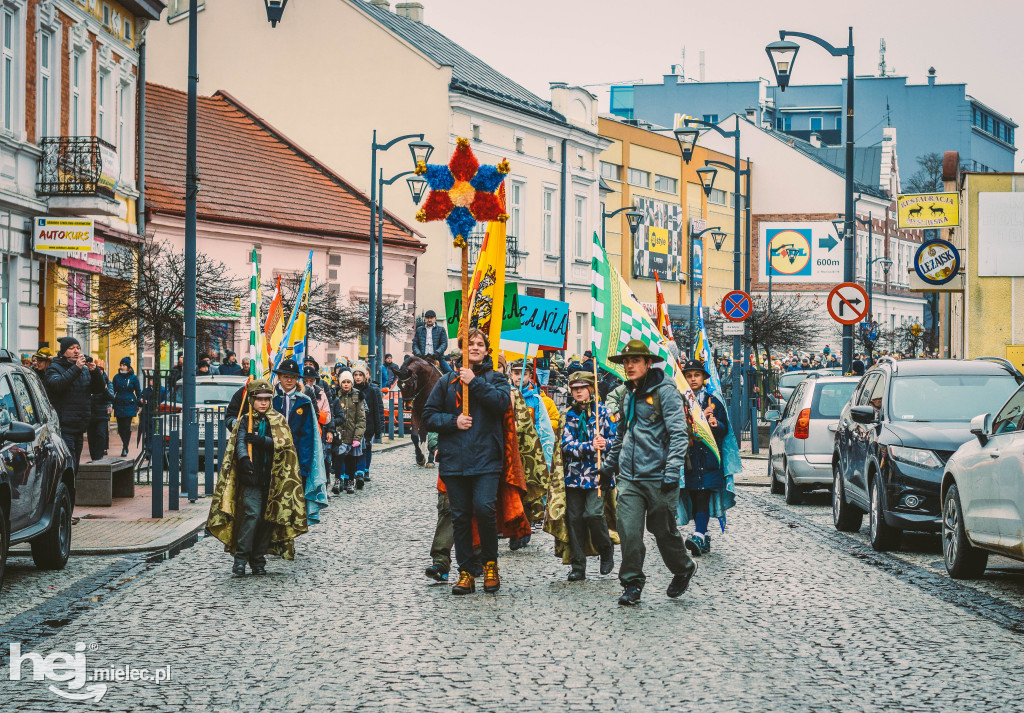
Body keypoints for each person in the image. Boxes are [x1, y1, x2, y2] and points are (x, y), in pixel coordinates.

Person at [599, 339, 697, 606]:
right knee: (629, 532)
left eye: (635, 361)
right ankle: (632, 583)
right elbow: (623, 435)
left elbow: (679, 435)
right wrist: (608, 467)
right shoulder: (628, 393)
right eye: (626, 362)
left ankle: (683, 568)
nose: (629, 366)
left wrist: (671, 472)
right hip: (629, 478)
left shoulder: (666, 391)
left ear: (648, 363)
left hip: (659, 477)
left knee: (663, 532)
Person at [423, 328, 510, 595]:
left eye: (479, 344)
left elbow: (502, 404)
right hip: (455, 461)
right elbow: (428, 415)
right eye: (469, 344)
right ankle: (465, 572)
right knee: (459, 517)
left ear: (486, 350)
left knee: (484, 510)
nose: (474, 347)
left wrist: (474, 382)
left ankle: (490, 565)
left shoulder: (496, 379)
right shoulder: (447, 381)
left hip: (486, 459)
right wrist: (453, 421)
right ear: (462, 348)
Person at [207, 379, 309, 575]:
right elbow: (240, 441)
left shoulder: (278, 420)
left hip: (273, 479)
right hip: (251, 478)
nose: (263, 403)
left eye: (266, 399)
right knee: (251, 516)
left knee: (266, 519)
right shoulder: (245, 420)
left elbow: (285, 444)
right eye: (259, 399)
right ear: (251, 400)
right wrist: (244, 459)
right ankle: (241, 558)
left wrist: (263, 441)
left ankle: (258, 559)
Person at [559, 371, 615, 580]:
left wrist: (605, 444)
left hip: (597, 475)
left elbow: (615, 439)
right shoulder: (568, 415)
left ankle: (605, 547)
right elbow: (565, 445)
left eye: (582, 387)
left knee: (593, 514)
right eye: (575, 388)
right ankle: (578, 565)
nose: (578, 391)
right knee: (574, 519)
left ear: (591, 389)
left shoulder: (603, 413)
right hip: (573, 476)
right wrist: (589, 446)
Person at [679, 360, 730, 557]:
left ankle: (698, 534)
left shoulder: (713, 401)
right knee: (693, 496)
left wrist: (715, 424)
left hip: (708, 459)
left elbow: (725, 430)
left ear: (703, 378)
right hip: (690, 459)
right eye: (689, 376)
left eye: (696, 375)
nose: (693, 379)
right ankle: (705, 534)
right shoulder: (682, 401)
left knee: (702, 496)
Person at [272, 358, 327, 524]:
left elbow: (307, 436)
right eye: (286, 376)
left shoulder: (304, 401)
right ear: (279, 377)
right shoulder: (271, 399)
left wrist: (304, 465)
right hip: (273, 457)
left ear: (297, 380)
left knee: (293, 500)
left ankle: (289, 533)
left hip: (296, 460)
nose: (289, 380)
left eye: (293, 377)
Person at [44, 337, 107, 476]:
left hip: (80, 425)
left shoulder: (83, 369)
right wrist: (76, 368)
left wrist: (95, 372)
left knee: (75, 467)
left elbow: (98, 389)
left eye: (78, 348)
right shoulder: (54, 368)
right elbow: (58, 385)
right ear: (63, 352)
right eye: (71, 348)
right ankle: (67, 496)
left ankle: (70, 495)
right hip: (64, 426)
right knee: (68, 467)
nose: (76, 351)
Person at [331, 370, 366, 494]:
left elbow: (361, 418)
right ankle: (337, 480)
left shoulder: (357, 397)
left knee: (351, 459)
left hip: (352, 433)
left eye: (348, 382)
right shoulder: (335, 396)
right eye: (344, 382)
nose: (346, 384)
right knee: (338, 458)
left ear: (351, 383)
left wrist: (358, 437)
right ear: (340, 383)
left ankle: (350, 480)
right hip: (339, 433)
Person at [352, 362, 384, 482]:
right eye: (356, 374)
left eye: (360, 374)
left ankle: (365, 470)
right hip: (354, 425)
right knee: (357, 448)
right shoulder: (351, 389)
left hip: (368, 424)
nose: (358, 377)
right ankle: (357, 470)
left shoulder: (371, 390)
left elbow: (376, 409)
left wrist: (378, 429)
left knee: (366, 447)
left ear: (365, 376)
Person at [111, 357, 143, 458]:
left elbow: (138, 392)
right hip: (119, 403)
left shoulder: (133, 378)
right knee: (120, 428)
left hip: (130, 403)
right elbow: (113, 391)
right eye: (121, 365)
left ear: (128, 367)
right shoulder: (116, 377)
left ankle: (125, 447)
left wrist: (139, 403)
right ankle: (125, 443)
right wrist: (111, 403)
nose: (122, 367)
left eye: (124, 365)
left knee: (127, 425)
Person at [87, 358, 114, 460]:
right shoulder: (89, 380)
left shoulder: (107, 381)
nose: (98, 371)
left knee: (100, 435)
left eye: (100, 369)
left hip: (102, 414)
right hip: (90, 414)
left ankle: (99, 457)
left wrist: (105, 389)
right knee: (91, 437)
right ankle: (94, 458)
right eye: (97, 368)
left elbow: (111, 397)